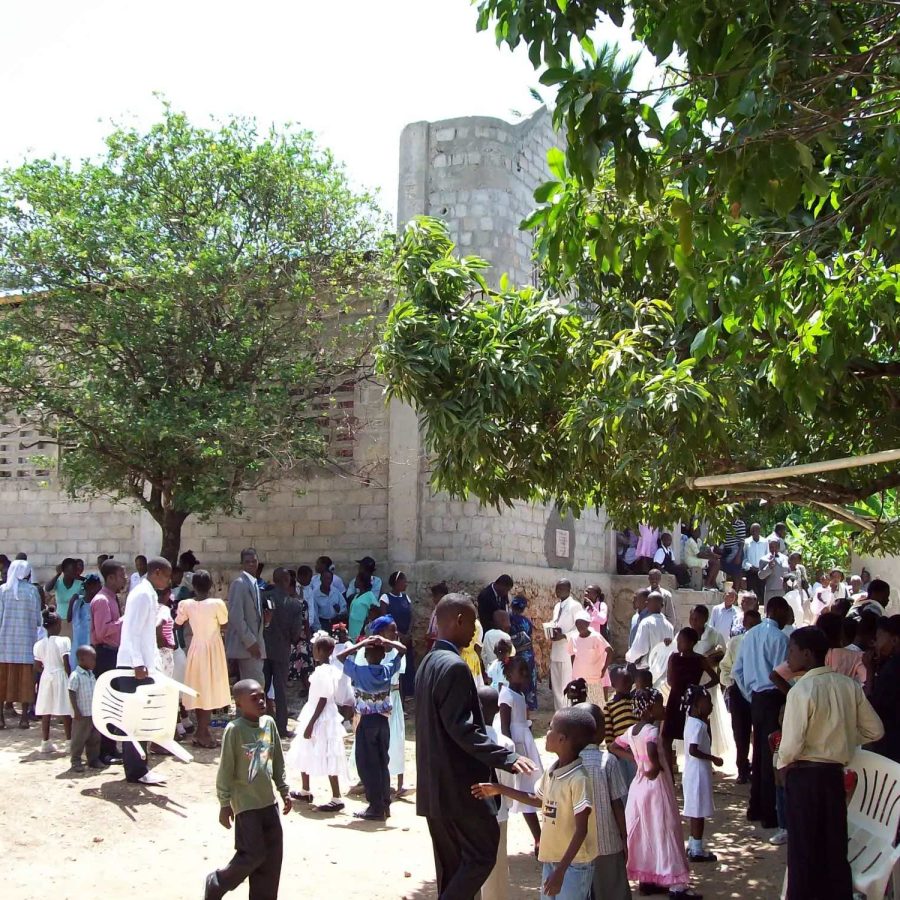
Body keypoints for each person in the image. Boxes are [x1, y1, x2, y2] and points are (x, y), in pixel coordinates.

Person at [415, 593, 534, 899]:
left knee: (451, 866)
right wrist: (506, 756)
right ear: (458, 620)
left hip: (434, 788)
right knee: (482, 853)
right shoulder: (454, 666)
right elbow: (462, 729)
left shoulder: (427, 662)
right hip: (457, 789)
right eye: (472, 623)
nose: (475, 630)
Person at [778, 626, 884, 900]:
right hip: (833, 777)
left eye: (791, 650)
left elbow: (790, 747)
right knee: (834, 850)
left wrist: (781, 767)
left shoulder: (801, 691)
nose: (788, 655)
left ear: (807, 653)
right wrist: (845, 736)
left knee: (803, 852)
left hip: (804, 776)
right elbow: (875, 730)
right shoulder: (848, 686)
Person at [474, 706, 600, 900]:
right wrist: (498, 788)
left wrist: (561, 872)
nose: (546, 732)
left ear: (562, 739)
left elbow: (581, 830)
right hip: (552, 859)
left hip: (573, 865)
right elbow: (538, 800)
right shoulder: (552, 771)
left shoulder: (578, 779)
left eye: (551, 728)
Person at [205, 679, 291, 900]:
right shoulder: (234, 730)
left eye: (262, 696)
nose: (261, 701)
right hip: (246, 805)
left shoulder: (268, 724)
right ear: (239, 703)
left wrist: (284, 789)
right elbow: (226, 769)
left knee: (272, 858)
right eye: (254, 698)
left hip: (268, 803)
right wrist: (224, 804)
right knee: (252, 855)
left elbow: (277, 760)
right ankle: (217, 882)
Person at [613, 689, 696, 898]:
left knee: (646, 832)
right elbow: (651, 749)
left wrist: (635, 760)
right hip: (656, 786)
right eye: (660, 704)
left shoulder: (632, 730)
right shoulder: (651, 730)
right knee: (666, 829)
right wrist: (654, 766)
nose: (664, 707)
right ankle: (677, 885)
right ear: (650, 709)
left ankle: (648, 879)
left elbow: (614, 746)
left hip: (639, 788)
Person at [733, 595, 791, 828]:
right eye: (786, 610)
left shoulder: (749, 636)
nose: (788, 615)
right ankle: (768, 811)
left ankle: (755, 806)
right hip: (772, 697)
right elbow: (779, 675)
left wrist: (750, 694)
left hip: (756, 698)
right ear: (776, 610)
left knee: (759, 752)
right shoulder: (779, 638)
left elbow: (738, 671)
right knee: (770, 755)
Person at [338, 631, 406, 821]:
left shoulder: (360, 672)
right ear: (383, 655)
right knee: (382, 762)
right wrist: (386, 641)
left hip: (366, 722)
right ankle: (384, 804)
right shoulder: (386, 670)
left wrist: (360, 644)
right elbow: (403, 650)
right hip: (383, 722)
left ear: (366, 656)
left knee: (367, 764)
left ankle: (375, 806)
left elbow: (340, 656)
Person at [117, 556, 173, 785]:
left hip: (143, 666)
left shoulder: (147, 593)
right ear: (157, 572)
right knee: (135, 719)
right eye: (167, 576)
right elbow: (131, 632)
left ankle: (139, 767)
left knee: (142, 718)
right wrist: (138, 663)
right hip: (134, 668)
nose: (168, 582)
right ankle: (136, 770)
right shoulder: (142, 594)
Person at [286, 633, 349, 811]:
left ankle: (336, 797)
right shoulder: (328, 669)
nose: (313, 651)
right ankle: (305, 789)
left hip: (320, 715)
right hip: (317, 711)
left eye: (315, 648)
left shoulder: (323, 672)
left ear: (322, 651)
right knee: (305, 748)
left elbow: (323, 698)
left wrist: (312, 722)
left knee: (327, 751)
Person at [578, 703, 631, 900]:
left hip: (578, 846)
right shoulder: (608, 761)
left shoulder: (567, 764)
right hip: (608, 843)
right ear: (598, 731)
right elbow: (617, 804)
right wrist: (625, 837)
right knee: (613, 889)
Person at [176, 569, 231, 749]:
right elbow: (224, 624)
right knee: (207, 689)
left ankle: (203, 730)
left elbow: (178, 622)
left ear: (193, 586)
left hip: (196, 648)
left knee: (200, 689)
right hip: (213, 648)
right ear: (211, 586)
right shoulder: (217, 604)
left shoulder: (187, 604)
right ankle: (202, 732)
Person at [497, 656, 544, 854]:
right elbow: (505, 726)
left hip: (524, 740)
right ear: (508, 675)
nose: (525, 674)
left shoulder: (520, 694)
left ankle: (539, 837)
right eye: (521, 671)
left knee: (529, 786)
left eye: (526, 670)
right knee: (525, 788)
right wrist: (510, 753)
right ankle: (539, 838)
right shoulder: (506, 695)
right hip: (517, 744)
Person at [662, 627, 719, 772]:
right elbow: (669, 679)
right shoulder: (673, 657)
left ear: (692, 642)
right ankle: (670, 774)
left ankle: (699, 767)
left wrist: (700, 688)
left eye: (682, 641)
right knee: (666, 737)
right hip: (675, 700)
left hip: (692, 701)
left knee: (696, 736)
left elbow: (715, 678)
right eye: (678, 640)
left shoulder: (699, 660)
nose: (679, 643)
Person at [479, 686, 516, 900]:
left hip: (472, 810)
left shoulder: (468, 740)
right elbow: (509, 783)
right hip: (498, 811)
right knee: (497, 864)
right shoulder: (505, 743)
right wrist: (507, 806)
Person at [681, 684, 722, 863]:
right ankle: (697, 849)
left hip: (692, 772)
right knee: (698, 812)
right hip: (698, 773)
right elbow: (693, 750)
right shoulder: (698, 725)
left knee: (695, 811)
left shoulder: (691, 721)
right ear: (697, 705)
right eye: (708, 703)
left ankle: (692, 843)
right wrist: (713, 758)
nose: (711, 706)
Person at [262, 567, 305, 738]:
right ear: (288, 581)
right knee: (280, 690)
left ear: (273, 579)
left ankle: (261, 723)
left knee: (262, 688)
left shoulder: (263, 598)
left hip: (263, 649)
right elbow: (296, 634)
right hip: (282, 650)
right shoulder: (294, 604)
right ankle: (281, 727)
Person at [0, 559, 42, 730]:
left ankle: (1, 719)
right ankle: (24, 718)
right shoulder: (32, 591)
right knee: (26, 682)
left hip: (4, 645)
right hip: (26, 644)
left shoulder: (2, 591)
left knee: (2, 681)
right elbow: (38, 619)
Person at [720, 608, 761, 783]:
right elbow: (725, 667)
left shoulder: (762, 641)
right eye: (749, 624)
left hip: (757, 690)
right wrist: (730, 684)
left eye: (755, 624)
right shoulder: (735, 642)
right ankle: (742, 768)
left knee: (759, 732)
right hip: (738, 691)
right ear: (744, 624)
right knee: (740, 732)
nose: (751, 628)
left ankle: (758, 768)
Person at [90, 559, 126, 763]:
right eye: (122, 575)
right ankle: (103, 751)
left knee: (116, 703)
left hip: (114, 653)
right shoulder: (102, 600)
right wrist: (123, 621)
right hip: (105, 654)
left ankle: (111, 748)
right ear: (111, 577)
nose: (125, 578)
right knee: (108, 703)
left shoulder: (112, 598)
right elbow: (102, 632)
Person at [226, 548, 268, 684]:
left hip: (256, 643)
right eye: (247, 562)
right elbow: (235, 616)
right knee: (255, 684)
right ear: (242, 564)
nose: (251, 564)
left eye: (254, 561)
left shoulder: (254, 583)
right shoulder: (239, 584)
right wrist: (250, 642)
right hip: (247, 646)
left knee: (252, 686)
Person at [33, 611, 73, 752]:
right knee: (65, 709)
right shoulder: (64, 641)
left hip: (46, 677)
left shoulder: (39, 644)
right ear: (57, 625)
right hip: (60, 676)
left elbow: (37, 666)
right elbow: (66, 663)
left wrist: (46, 670)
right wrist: (70, 678)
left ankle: (45, 742)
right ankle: (69, 742)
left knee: (46, 710)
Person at [865, 615, 900, 762]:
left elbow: (871, 708)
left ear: (894, 640)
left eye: (879, 638)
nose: (876, 644)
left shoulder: (892, 669)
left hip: (892, 744)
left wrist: (870, 671)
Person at [68, 645, 105, 772]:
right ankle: (76, 761)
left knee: (94, 738)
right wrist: (76, 710)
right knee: (79, 738)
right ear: (82, 660)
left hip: (93, 713)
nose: (94, 662)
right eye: (92, 659)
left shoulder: (91, 675)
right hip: (82, 714)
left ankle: (93, 759)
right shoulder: (75, 675)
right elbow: (72, 692)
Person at [380, 570, 415, 697]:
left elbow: (412, 616)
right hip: (393, 637)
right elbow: (386, 619)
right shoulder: (385, 598)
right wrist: (399, 635)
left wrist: (408, 634)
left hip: (406, 637)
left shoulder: (406, 598)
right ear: (396, 582)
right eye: (403, 581)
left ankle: (408, 692)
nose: (406, 584)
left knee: (408, 665)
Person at [548, 579, 582, 710]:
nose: (557, 592)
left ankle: (567, 714)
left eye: (560, 589)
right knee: (556, 687)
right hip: (556, 650)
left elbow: (580, 628)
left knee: (565, 685)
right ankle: (559, 714)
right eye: (556, 589)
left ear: (568, 590)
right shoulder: (557, 606)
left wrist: (564, 635)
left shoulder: (575, 606)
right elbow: (556, 622)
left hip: (568, 651)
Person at [567, 609, 611, 706]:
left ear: (588, 624)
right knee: (579, 707)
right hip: (579, 681)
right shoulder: (573, 638)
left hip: (594, 680)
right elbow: (572, 654)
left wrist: (603, 670)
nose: (580, 626)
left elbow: (610, 651)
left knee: (596, 707)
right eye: (577, 624)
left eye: (582, 624)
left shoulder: (596, 637)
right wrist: (574, 672)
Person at [605, 666, 638, 786]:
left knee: (636, 781)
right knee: (623, 783)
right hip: (619, 752)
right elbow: (608, 732)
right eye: (625, 681)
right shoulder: (609, 706)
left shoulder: (636, 701)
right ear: (614, 684)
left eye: (630, 680)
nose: (629, 684)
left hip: (636, 750)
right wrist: (611, 750)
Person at [626, 591, 674, 668]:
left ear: (647, 604)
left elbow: (640, 649)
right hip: (662, 668)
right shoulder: (669, 626)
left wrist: (628, 657)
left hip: (647, 669)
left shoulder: (646, 623)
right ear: (662, 605)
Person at [508, 595, 538, 709]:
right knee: (528, 678)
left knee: (517, 679)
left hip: (515, 654)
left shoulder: (508, 619)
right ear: (524, 608)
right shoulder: (527, 621)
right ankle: (529, 704)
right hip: (528, 655)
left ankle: (517, 705)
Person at [45, 557, 82, 639]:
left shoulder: (80, 584)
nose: (75, 572)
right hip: (59, 621)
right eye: (72, 570)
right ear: (64, 571)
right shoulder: (58, 583)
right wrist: (58, 574)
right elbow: (47, 588)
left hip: (75, 621)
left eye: (75, 569)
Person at [70, 573, 100, 660]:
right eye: (98, 586)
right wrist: (72, 602)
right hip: (79, 642)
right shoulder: (79, 602)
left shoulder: (97, 603)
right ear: (91, 587)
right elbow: (69, 618)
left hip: (91, 643)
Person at [684, 526, 721, 590]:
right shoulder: (690, 541)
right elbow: (699, 555)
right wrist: (712, 557)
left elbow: (704, 550)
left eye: (699, 531)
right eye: (696, 531)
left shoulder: (699, 540)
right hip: (691, 559)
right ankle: (707, 583)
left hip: (697, 558)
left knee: (717, 563)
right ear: (692, 532)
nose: (698, 533)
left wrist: (713, 555)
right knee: (714, 562)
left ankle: (712, 582)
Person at [310, 569, 346, 634]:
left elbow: (343, 606)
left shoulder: (335, 591)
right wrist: (318, 630)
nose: (327, 581)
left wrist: (339, 611)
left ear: (332, 580)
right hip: (323, 623)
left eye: (329, 578)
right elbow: (314, 614)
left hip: (335, 622)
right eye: (325, 578)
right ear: (320, 579)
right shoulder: (315, 594)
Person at [346, 572, 379, 641]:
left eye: (357, 580)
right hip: (352, 631)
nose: (355, 581)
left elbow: (376, 613)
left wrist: (365, 628)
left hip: (361, 633)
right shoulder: (356, 596)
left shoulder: (369, 596)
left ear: (362, 582)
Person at [741, 523, 767, 601]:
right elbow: (744, 558)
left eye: (756, 530)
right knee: (751, 594)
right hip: (751, 571)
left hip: (762, 571)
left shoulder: (765, 542)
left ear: (759, 531)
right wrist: (750, 567)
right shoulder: (746, 542)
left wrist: (763, 568)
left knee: (762, 592)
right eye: (752, 530)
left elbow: (767, 556)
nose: (754, 532)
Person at [425, 581, 449, 651]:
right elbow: (431, 627)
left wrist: (433, 636)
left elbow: (445, 633)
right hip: (431, 644)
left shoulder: (447, 612)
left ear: (442, 596)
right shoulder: (435, 610)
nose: (433, 598)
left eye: (435, 596)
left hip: (440, 646)